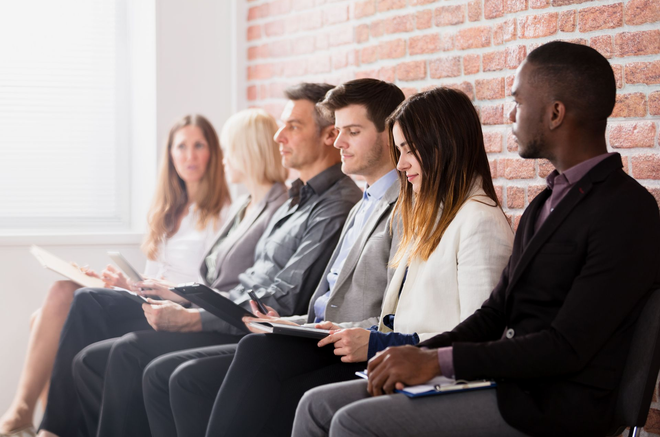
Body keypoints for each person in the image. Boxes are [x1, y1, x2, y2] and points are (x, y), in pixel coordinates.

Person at [293, 41, 660, 437]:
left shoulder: (626, 209)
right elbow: (493, 314)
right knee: (317, 405)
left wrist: (437, 364)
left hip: (555, 405)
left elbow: (567, 346)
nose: (509, 114)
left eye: (518, 102)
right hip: (512, 386)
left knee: (352, 422)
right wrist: (417, 353)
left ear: (555, 113)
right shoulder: (544, 203)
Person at [202, 85, 514, 437]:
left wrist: (378, 342)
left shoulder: (480, 222)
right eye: (400, 151)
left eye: (409, 151)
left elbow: (477, 341)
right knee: (265, 359)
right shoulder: (432, 217)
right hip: (393, 355)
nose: (401, 164)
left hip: (427, 372)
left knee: (287, 385)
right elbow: (392, 316)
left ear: (443, 146)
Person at [69, 83, 363, 437]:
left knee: (140, 358)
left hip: (258, 328)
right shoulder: (295, 200)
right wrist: (184, 297)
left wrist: (193, 317)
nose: (279, 136)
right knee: (96, 340)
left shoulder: (335, 204)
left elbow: (283, 299)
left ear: (328, 136)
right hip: (237, 316)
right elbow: (249, 281)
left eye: (293, 126)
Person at [141, 78, 406, 437]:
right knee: (182, 370)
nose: (340, 140)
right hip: (308, 331)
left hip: (344, 344)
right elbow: (318, 300)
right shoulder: (361, 203)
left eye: (351, 131)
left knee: (230, 359)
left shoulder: (384, 206)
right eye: (339, 131)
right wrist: (292, 323)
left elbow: (393, 309)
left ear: (389, 135)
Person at [33, 109, 288, 437]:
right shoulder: (197, 210)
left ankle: (50, 429)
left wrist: (173, 294)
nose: (197, 156)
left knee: (86, 304)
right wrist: (129, 286)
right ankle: (52, 427)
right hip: (169, 297)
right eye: (181, 147)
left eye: (203, 146)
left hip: (193, 307)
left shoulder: (231, 211)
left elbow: (218, 282)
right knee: (73, 306)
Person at [0, 114, 230, 437]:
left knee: (70, 303)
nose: (189, 155)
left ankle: (42, 426)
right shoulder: (168, 212)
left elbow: (211, 286)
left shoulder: (221, 214)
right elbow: (149, 280)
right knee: (54, 301)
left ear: (213, 153)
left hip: (179, 311)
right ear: (170, 154)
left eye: (199, 146)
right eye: (181, 146)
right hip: (147, 300)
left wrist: (144, 292)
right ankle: (33, 418)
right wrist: (120, 285)